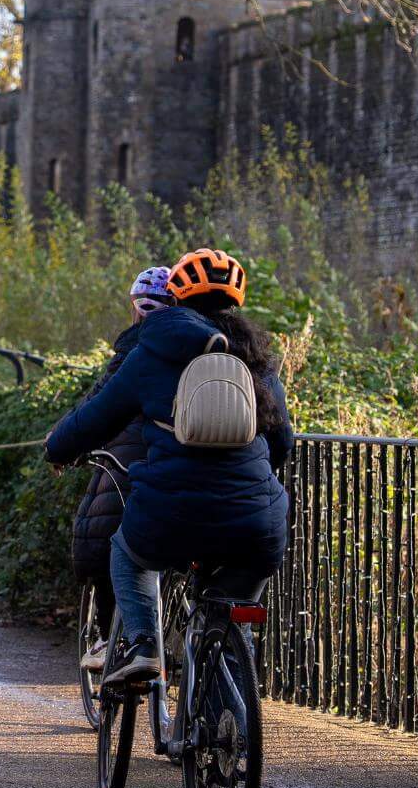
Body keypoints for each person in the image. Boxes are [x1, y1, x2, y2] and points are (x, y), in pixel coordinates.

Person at [44, 247, 292, 688]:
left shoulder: (152, 352)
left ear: (176, 298)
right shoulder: (257, 361)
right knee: (232, 618)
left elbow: (95, 418)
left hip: (170, 514)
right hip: (257, 520)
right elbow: (282, 445)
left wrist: (58, 448)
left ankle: (143, 645)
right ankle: (227, 729)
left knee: (127, 554)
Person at [56, 265, 176, 672]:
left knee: (111, 546)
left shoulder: (134, 355)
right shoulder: (214, 349)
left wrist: (62, 446)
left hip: (126, 467)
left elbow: (97, 408)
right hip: (187, 470)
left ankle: (114, 641)